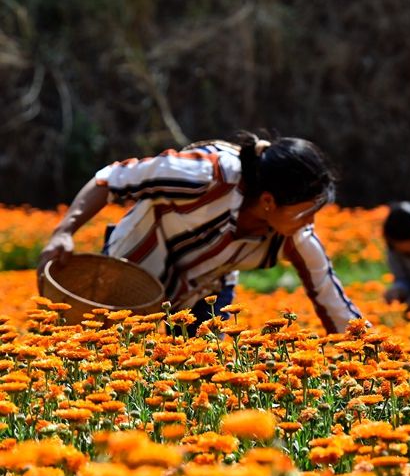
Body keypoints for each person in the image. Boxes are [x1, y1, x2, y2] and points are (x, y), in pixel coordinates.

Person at [36, 133, 363, 334]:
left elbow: (331, 300)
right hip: (133, 268)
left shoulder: (295, 237)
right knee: (113, 362)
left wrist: (369, 361)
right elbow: (112, 179)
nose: (310, 223)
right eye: (305, 212)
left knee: (201, 385)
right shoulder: (203, 175)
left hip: (204, 291)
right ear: (268, 201)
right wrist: (64, 232)